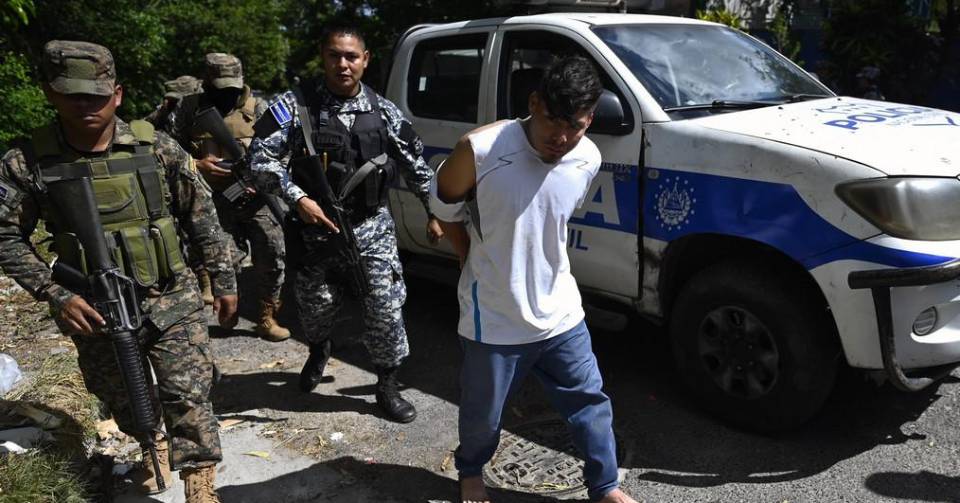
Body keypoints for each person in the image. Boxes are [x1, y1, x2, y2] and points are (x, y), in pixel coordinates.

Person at [0, 41, 238, 503]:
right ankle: (152, 440)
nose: (85, 105)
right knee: (121, 394)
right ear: (50, 93)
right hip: (93, 306)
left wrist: (224, 281)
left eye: (96, 95)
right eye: (72, 95)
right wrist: (54, 293)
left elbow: (201, 218)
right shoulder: (26, 162)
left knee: (189, 392)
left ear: (118, 94)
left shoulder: (157, 147)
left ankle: (199, 483)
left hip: (170, 296)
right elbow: (6, 234)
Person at [430, 56, 638, 503]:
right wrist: (470, 258)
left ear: (589, 121)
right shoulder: (480, 149)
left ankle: (605, 486)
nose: (560, 138)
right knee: (484, 415)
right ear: (534, 104)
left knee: (589, 402)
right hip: (495, 318)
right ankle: (471, 471)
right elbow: (444, 208)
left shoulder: (587, 157)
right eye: (552, 122)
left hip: (561, 312)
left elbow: (550, 223)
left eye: (574, 126)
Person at [250, 26, 442, 423]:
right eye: (335, 55)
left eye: (351, 56)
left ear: (365, 60)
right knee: (316, 307)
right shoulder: (295, 106)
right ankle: (320, 347)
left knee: (385, 308)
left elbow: (417, 167)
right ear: (323, 57)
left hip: (371, 227)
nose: (343, 64)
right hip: (314, 230)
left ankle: (386, 383)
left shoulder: (383, 111)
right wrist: (297, 198)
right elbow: (259, 160)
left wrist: (435, 211)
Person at [165, 53, 290, 342]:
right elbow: (168, 151)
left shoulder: (260, 108)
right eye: (220, 88)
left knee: (272, 254)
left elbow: (284, 150)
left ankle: (267, 317)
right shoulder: (188, 109)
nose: (227, 95)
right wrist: (196, 165)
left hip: (257, 198)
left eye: (232, 88)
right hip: (213, 199)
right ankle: (228, 308)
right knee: (225, 259)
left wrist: (262, 178)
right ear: (207, 83)